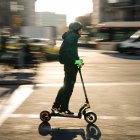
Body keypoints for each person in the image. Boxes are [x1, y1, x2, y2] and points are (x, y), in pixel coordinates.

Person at [51, 22, 84, 115]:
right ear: (76, 29)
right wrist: (77, 62)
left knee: (65, 87)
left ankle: (56, 106)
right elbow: (69, 55)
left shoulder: (71, 37)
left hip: (70, 66)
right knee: (68, 88)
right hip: (70, 67)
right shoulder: (71, 38)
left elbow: (72, 54)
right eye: (80, 29)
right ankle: (63, 108)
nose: (81, 31)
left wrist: (78, 61)